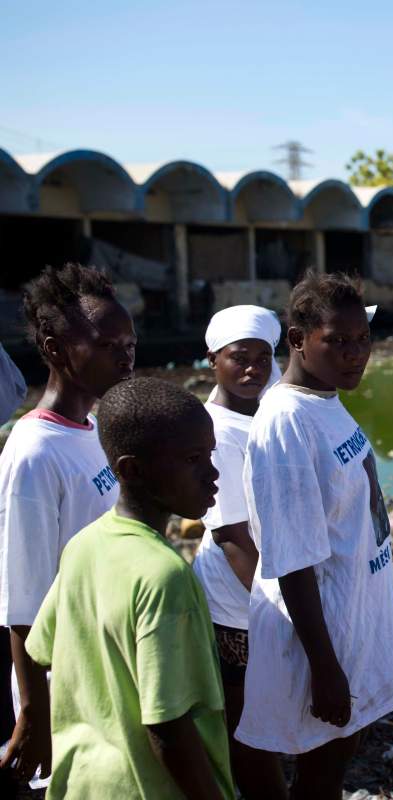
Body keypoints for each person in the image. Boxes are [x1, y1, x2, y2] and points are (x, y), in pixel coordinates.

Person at [236, 272, 393, 799]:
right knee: (320, 773)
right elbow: (290, 557)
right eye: (336, 341)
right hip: (321, 635)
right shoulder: (286, 421)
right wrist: (325, 667)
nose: (355, 354)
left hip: (351, 618)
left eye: (362, 341)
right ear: (297, 340)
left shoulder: (324, 401)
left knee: (336, 760)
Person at [25, 377, 235, 799]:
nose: (212, 473)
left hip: (82, 783)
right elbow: (168, 727)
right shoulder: (166, 577)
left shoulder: (84, 545)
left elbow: (39, 652)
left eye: (210, 455)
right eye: (193, 459)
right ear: (130, 469)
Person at [0, 264, 135, 787]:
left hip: (108, 662)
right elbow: (23, 600)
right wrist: (32, 713)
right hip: (64, 682)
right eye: (107, 344)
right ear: (56, 350)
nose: (125, 355)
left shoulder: (94, 429)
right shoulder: (34, 454)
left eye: (129, 342)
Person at [191, 305, 287, 799]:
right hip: (240, 596)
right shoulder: (215, 431)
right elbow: (232, 537)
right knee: (246, 713)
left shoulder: (267, 407)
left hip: (271, 580)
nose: (253, 368)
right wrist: (278, 608)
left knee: (268, 702)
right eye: (239, 357)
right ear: (213, 360)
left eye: (263, 357)